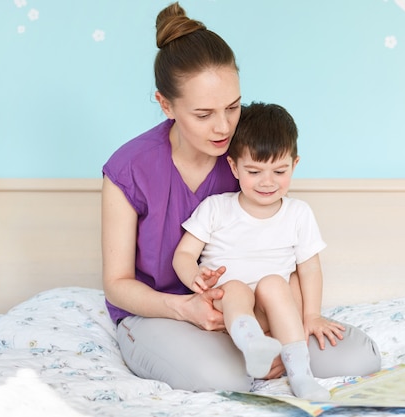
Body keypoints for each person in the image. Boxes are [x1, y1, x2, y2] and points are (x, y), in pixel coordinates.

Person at [101, 2, 381, 393]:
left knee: (358, 357)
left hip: (249, 309)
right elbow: (117, 283)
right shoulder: (129, 168)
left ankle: (262, 350)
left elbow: (286, 248)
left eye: (233, 107)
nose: (223, 126)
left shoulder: (247, 158)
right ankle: (253, 355)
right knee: (220, 376)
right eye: (203, 114)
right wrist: (183, 308)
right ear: (165, 105)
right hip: (160, 313)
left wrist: (293, 318)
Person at [174, 102, 338, 401]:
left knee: (275, 283)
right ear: (234, 166)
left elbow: (310, 268)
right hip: (228, 315)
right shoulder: (216, 208)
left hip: (273, 313)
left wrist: (312, 315)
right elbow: (184, 254)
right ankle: (253, 345)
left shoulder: (298, 213)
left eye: (279, 170)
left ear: (295, 164)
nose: (267, 182)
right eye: (254, 171)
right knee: (234, 288)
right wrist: (195, 276)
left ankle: (301, 375)